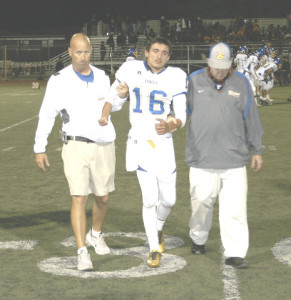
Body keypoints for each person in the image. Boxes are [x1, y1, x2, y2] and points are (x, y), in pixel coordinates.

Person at [34, 33, 122, 271]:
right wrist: (39, 147)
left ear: (91, 51)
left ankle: (96, 233)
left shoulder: (103, 77)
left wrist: (121, 96)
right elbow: (47, 113)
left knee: (103, 197)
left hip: (104, 143)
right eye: (78, 52)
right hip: (74, 144)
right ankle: (82, 251)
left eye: (87, 52)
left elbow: (112, 103)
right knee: (79, 198)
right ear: (70, 52)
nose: (83, 57)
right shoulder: (59, 80)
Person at [104, 36, 187, 268]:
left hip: (164, 142)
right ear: (146, 52)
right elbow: (115, 100)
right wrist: (120, 96)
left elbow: (181, 112)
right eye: (155, 51)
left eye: (164, 52)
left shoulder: (176, 76)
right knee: (150, 199)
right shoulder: (130, 69)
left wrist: (174, 124)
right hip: (140, 141)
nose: (159, 55)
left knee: (169, 199)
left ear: (169, 56)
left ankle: (158, 228)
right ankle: (152, 248)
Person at [186, 42, 264, 269]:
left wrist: (256, 149)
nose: (219, 71)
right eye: (215, 66)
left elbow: (252, 118)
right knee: (200, 202)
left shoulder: (242, 83)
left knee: (235, 208)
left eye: (224, 67)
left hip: (234, 160)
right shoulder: (193, 81)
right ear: (208, 63)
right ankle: (198, 237)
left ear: (231, 64)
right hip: (202, 158)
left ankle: (235, 252)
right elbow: (181, 112)